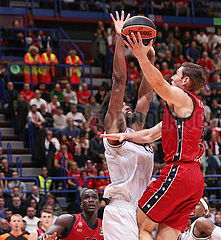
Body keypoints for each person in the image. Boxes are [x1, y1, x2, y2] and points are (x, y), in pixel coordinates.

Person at [104, 21, 206, 239]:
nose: (172, 77)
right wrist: (126, 135)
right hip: (195, 178)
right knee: (165, 234)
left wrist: (142, 56)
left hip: (178, 172)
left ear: (185, 81)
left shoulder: (182, 97)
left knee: (144, 227)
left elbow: (157, 86)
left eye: (177, 75)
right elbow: (151, 134)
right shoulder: (191, 107)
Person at [98, 11, 155, 240]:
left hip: (142, 209)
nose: (128, 106)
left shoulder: (135, 132)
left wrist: (149, 58)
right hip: (121, 210)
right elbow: (118, 80)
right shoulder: (113, 133)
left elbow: (146, 95)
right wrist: (120, 38)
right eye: (123, 105)